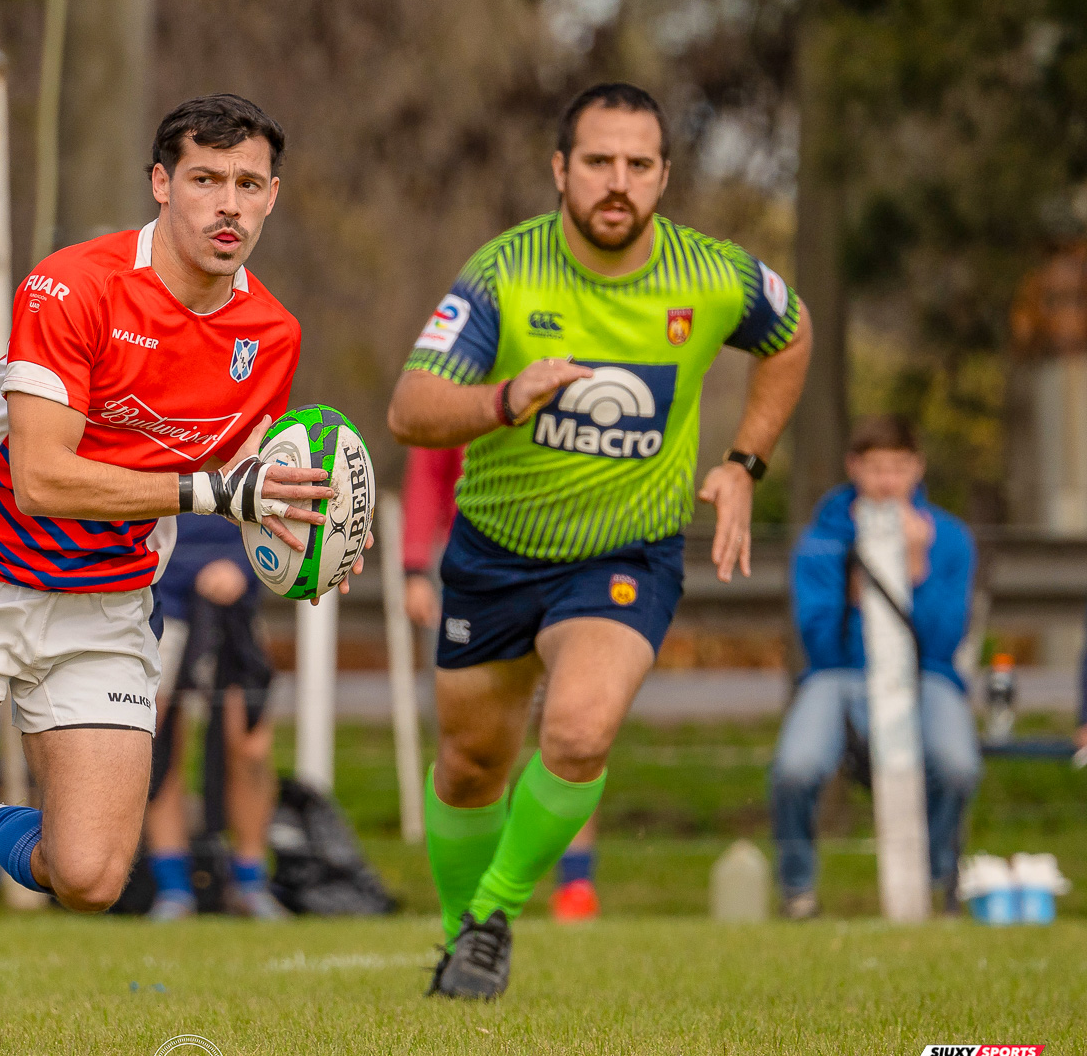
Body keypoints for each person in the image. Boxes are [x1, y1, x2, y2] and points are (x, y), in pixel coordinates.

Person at [0, 93, 357, 1056]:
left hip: (106, 602)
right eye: (205, 180)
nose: (228, 205)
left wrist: (322, 530)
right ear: (160, 184)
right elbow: (48, 478)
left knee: (92, 877)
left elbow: (259, 474)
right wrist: (224, 497)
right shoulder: (72, 287)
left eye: (249, 185)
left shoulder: (273, 335)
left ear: (273, 197)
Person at [387, 82, 812, 1000]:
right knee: (469, 767)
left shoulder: (711, 275)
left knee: (579, 732)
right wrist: (504, 397)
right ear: (560, 169)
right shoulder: (506, 272)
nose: (617, 182)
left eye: (638, 164)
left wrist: (745, 460)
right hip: (496, 549)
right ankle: (464, 937)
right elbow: (411, 408)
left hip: (628, 552)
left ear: (663, 174)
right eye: (597, 162)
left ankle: (493, 916)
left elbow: (791, 333)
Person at [771, 415, 979, 918]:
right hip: (840, 675)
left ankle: (934, 882)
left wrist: (915, 569)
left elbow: (944, 640)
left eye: (899, 468)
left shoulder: (949, 539)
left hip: (925, 675)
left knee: (958, 764)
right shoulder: (821, 542)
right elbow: (817, 643)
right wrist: (856, 595)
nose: (888, 482)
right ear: (854, 468)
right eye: (876, 468)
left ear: (918, 469)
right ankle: (798, 891)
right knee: (795, 768)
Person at [403, 444, 602, 922]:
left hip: (574, 566)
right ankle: (480, 887)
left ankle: (574, 882)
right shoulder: (461, 372)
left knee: (574, 728)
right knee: (479, 747)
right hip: (480, 576)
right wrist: (413, 567)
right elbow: (429, 469)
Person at [143, 513, 285, 921]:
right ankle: (173, 889)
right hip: (160, 599)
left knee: (250, 746)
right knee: (157, 743)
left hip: (237, 600)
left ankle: (250, 881)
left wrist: (245, 565)